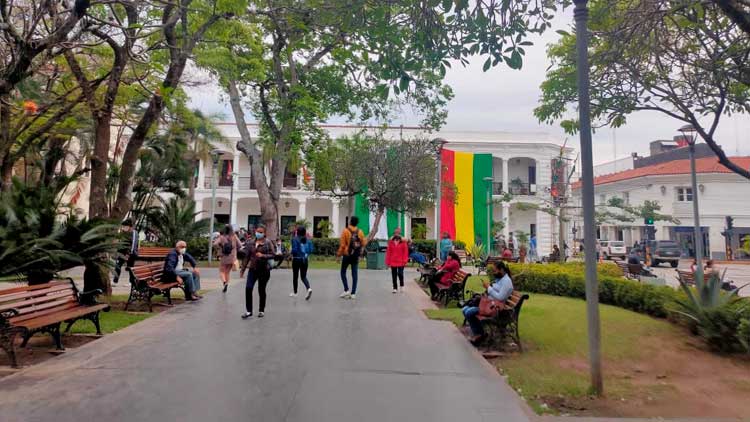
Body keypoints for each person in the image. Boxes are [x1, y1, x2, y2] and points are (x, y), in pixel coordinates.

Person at [462, 261, 513, 344]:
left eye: (495, 270)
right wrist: (488, 289)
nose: (494, 272)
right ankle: (479, 332)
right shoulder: (500, 279)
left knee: (468, 312)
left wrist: (489, 288)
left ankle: (480, 334)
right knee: (464, 309)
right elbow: (494, 291)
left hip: (495, 309)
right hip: (488, 304)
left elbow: (500, 297)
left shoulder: (507, 282)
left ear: (502, 270)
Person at [240, 226, 276, 319]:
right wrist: (242, 270)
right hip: (253, 269)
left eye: (260, 232)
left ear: (264, 233)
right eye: (257, 231)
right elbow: (247, 257)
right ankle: (248, 311)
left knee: (261, 290)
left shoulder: (268, 242)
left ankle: (261, 310)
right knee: (248, 288)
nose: (258, 233)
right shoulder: (250, 242)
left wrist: (263, 255)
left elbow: (273, 255)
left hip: (264, 270)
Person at [337, 216, 367, 299]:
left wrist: (339, 255)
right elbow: (364, 243)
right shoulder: (360, 232)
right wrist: (360, 252)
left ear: (350, 221)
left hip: (347, 255)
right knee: (354, 274)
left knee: (343, 272)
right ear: (357, 223)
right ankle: (353, 293)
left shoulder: (345, 231)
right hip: (355, 255)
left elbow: (342, 245)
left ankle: (346, 290)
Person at [214, 224, 241, 293]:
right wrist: (235, 249)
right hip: (232, 257)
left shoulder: (222, 237)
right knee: (227, 272)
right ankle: (226, 284)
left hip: (224, 257)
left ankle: (224, 282)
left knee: (221, 271)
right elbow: (240, 245)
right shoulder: (234, 236)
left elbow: (215, 244)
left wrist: (220, 247)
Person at [113, 219, 139, 284]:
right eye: (123, 226)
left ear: (129, 227)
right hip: (122, 253)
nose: (123, 228)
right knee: (117, 266)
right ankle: (115, 281)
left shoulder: (134, 233)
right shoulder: (122, 233)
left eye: (125, 226)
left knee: (130, 268)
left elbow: (133, 245)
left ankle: (131, 281)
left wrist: (129, 254)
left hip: (131, 253)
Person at [290, 226, 313, 300]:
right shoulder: (308, 240)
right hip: (305, 260)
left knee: (295, 276)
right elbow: (311, 249)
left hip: (296, 260)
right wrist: (306, 254)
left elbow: (294, 250)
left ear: (297, 232)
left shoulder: (294, 239)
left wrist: (291, 252)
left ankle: (295, 293)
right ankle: (308, 288)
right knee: (303, 276)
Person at [385, 228, 409, 293]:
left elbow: (405, 252)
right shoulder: (391, 242)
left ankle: (402, 285)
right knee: (394, 274)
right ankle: (395, 288)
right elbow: (388, 252)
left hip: (401, 261)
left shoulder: (403, 242)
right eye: (395, 233)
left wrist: (405, 260)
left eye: (398, 233)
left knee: (400, 274)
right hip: (393, 260)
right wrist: (387, 262)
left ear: (400, 234)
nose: (397, 234)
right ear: (394, 234)